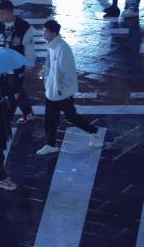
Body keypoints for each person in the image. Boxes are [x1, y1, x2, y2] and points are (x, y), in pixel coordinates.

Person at [36, 20, 102, 155]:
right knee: (51, 119)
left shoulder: (62, 49)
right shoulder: (51, 45)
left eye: (46, 31)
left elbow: (68, 73)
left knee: (71, 117)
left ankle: (93, 131)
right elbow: (51, 66)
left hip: (60, 93)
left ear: (53, 33)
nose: (44, 34)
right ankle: (51, 144)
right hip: (52, 91)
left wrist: (60, 87)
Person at [0, 0, 36, 124]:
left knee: (12, 95)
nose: (0, 16)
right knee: (14, 90)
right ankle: (28, 113)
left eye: (2, 13)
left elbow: (29, 48)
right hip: (0, 66)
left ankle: (6, 122)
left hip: (16, 68)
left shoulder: (24, 27)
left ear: (11, 13)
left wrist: (29, 65)